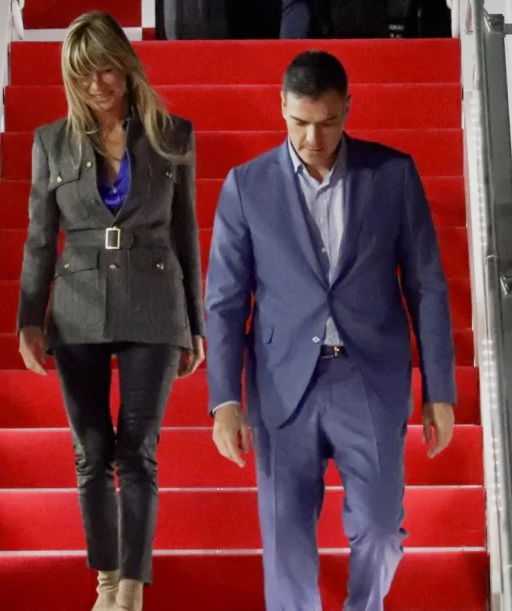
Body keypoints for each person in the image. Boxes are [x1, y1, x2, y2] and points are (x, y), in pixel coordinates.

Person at [204, 50, 457, 611]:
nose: (312, 138)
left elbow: (428, 286)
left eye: (327, 122)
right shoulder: (247, 185)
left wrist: (439, 390)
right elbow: (223, 300)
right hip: (280, 381)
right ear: (282, 109)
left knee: (381, 528)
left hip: (368, 376)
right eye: (299, 122)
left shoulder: (392, 174)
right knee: (286, 543)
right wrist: (223, 399)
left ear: (348, 108)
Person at [17, 10, 206, 611]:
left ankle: (131, 587)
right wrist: (28, 317)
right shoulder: (52, 142)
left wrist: (195, 325)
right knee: (92, 450)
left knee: (138, 448)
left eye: (106, 68)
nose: (98, 83)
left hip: (154, 302)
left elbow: (186, 231)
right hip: (77, 309)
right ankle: (104, 578)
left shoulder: (173, 134)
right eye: (83, 73)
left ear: (126, 64)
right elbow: (40, 237)